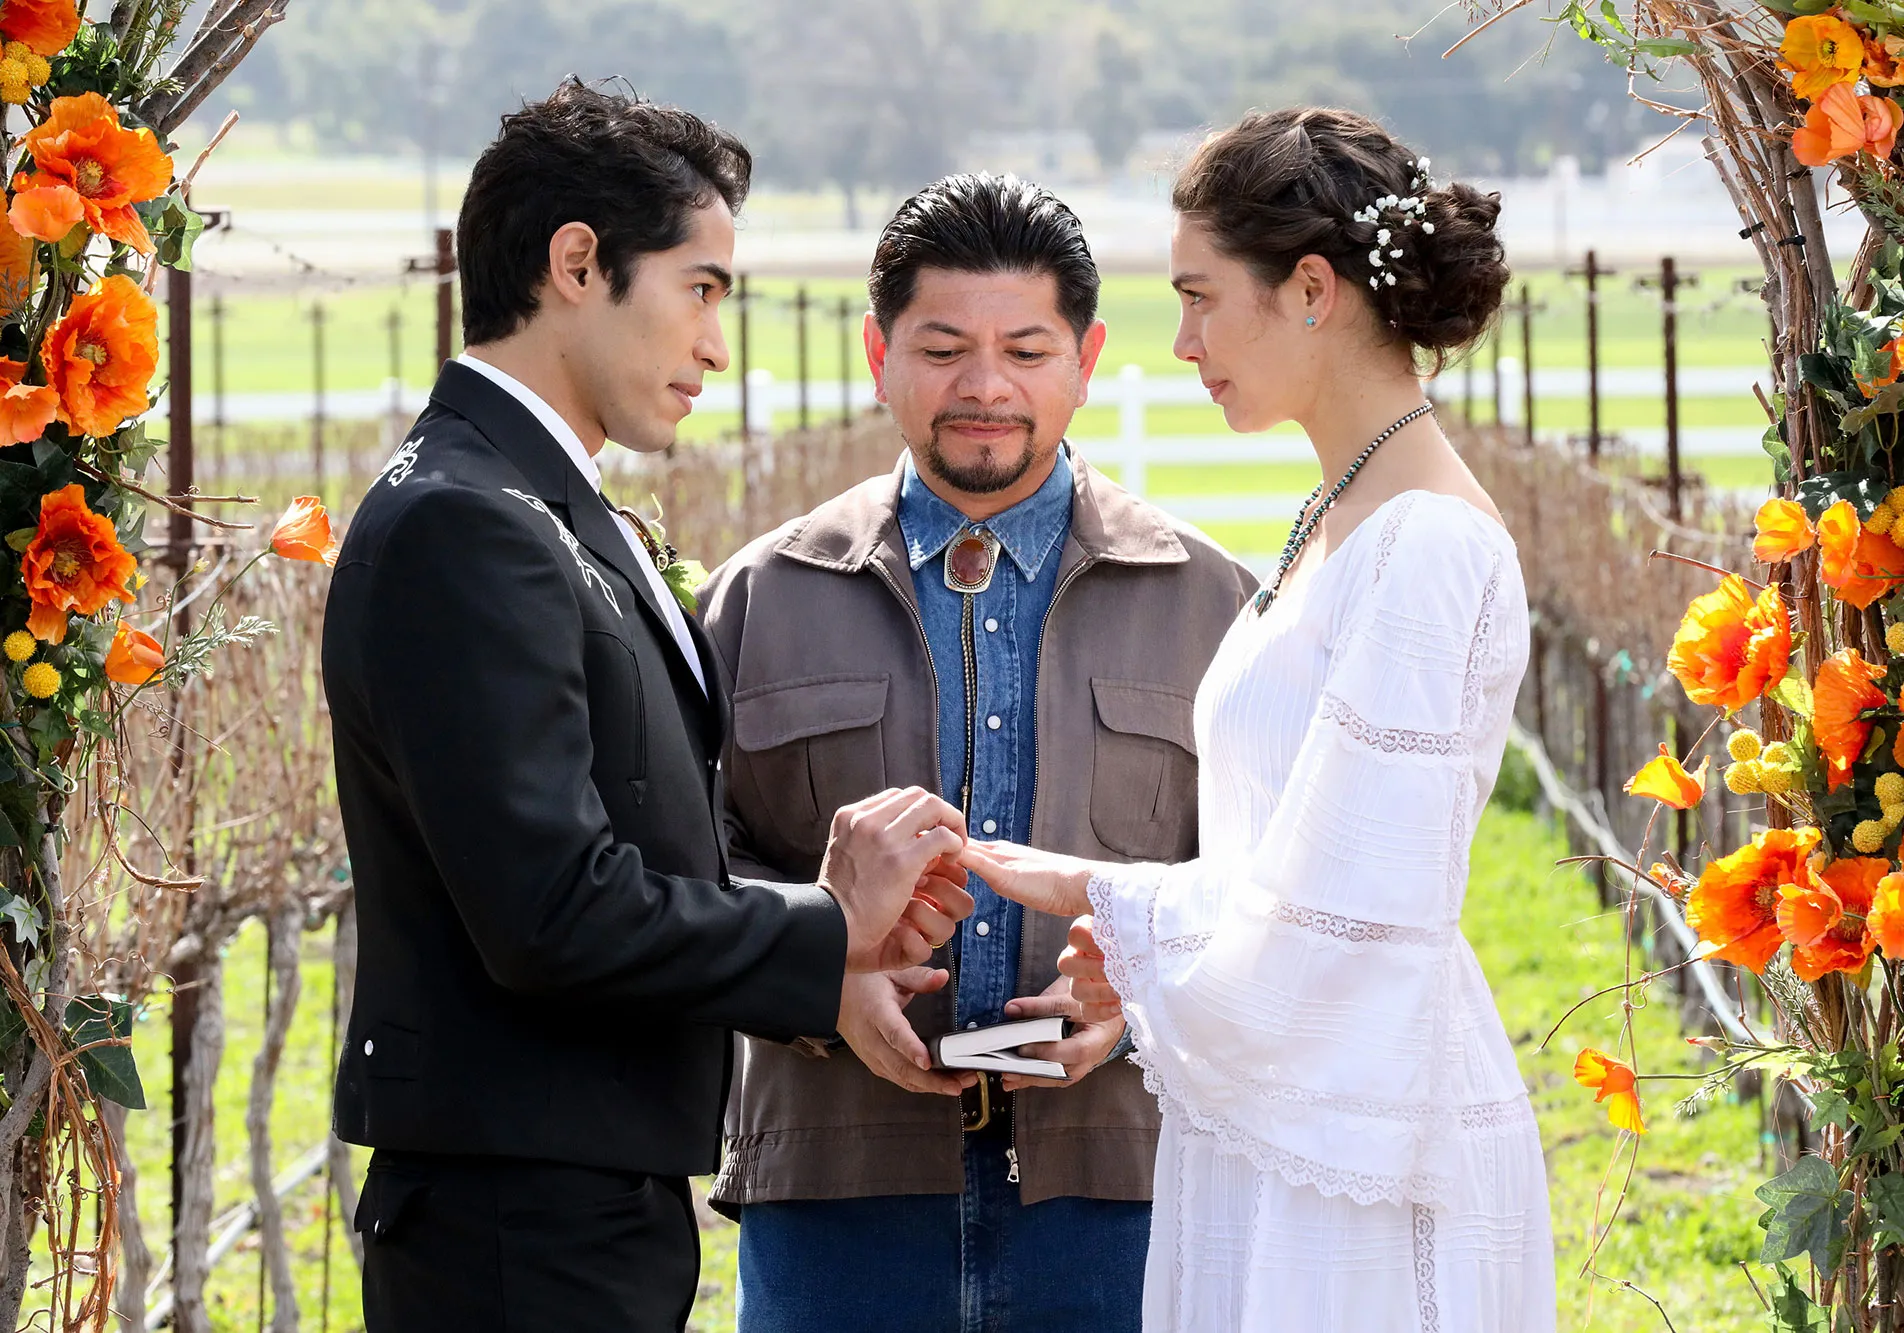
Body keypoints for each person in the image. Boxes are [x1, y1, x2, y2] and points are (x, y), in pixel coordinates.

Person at [323, 82, 971, 1333]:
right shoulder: (467, 522)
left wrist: (824, 967)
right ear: (577, 264)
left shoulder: (529, 500)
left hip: (573, 1195)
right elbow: (551, 910)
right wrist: (827, 922)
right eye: (700, 288)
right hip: (517, 1223)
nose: (716, 346)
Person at [961, 109, 1559, 1331]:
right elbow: (1283, 860)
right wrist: (1140, 936)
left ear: (1310, 290)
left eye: (1198, 297)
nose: (1181, 341)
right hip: (1279, 1109)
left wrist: (1105, 898)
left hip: (1354, 1136)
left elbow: (1349, 913)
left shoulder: (1424, 544)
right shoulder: (1334, 512)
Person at [698, 173, 1256, 1332]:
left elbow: (1267, 883)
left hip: (1120, 1194)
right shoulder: (759, 597)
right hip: (833, 1196)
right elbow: (688, 866)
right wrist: (824, 983)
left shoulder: (1212, 604)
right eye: (942, 348)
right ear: (878, 353)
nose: (985, 387)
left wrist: (1138, 994)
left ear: (1086, 359)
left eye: (1026, 350)